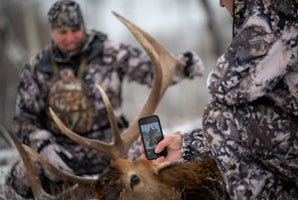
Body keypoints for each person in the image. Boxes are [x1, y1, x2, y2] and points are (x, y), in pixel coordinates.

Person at [5, 0, 204, 198]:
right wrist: (44, 147)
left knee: (158, 156)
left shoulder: (110, 52)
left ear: (83, 27)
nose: (70, 38)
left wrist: (181, 67)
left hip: (116, 148)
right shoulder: (36, 68)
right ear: (52, 32)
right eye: (62, 32)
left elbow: (149, 69)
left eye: (75, 30)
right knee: (20, 175)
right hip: (63, 153)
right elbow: (24, 121)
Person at [140, 0, 298, 199]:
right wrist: (187, 144)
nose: (221, 4)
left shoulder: (278, 8)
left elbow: (223, 84)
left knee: (219, 115)